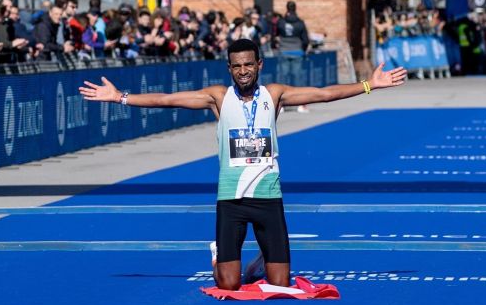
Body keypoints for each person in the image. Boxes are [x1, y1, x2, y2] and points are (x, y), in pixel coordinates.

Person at [79, 39, 407, 290]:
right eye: (236, 66)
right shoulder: (218, 98)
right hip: (231, 199)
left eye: (248, 64)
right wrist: (120, 97)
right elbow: (167, 100)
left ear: (259, 65)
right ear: (229, 69)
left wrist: (369, 85)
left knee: (280, 284)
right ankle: (217, 254)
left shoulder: (274, 95)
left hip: (268, 197)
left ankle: (259, 263)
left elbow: (323, 94)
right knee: (228, 284)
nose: (243, 71)